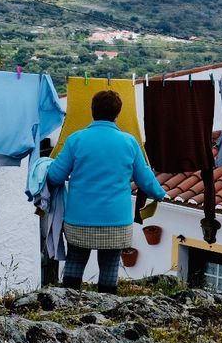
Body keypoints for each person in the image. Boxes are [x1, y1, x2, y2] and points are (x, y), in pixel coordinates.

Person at [45, 89, 166, 294]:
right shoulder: (129, 142)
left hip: (79, 220)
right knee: (109, 267)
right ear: (117, 114)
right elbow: (145, 178)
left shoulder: (76, 140)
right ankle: (106, 308)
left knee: (75, 261)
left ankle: (68, 302)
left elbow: (55, 176)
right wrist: (160, 194)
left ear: (92, 111)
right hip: (116, 221)